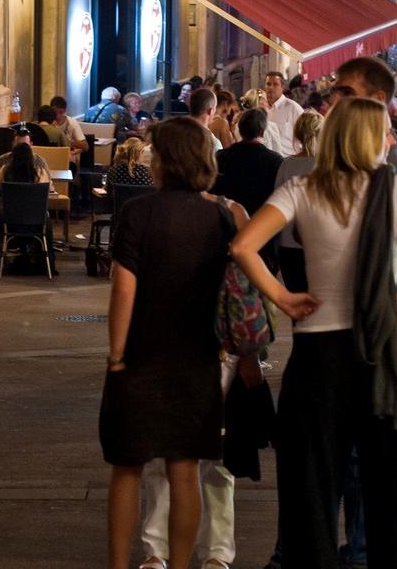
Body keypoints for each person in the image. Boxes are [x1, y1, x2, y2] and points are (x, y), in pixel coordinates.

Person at [228, 97, 397, 569]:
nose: (392, 139)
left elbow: (244, 245)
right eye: (386, 132)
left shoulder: (304, 188)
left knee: (311, 489)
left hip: (317, 355)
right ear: (371, 139)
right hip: (383, 352)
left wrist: (283, 297)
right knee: (393, 489)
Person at [101, 119, 245, 569]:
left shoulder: (138, 213)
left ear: (164, 159)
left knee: (127, 468)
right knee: (184, 470)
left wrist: (117, 354)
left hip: (142, 353)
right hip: (197, 355)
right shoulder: (218, 216)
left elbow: (123, 289)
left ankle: (121, 566)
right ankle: (182, 563)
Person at [212, 108, 284, 217]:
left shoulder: (221, 157)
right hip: (261, 222)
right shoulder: (276, 161)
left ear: (239, 129)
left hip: (228, 221)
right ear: (263, 132)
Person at [260, 70, 305, 156]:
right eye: (268, 84)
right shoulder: (260, 110)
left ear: (282, 87)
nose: (271, 88)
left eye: (275, 84)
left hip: (287, 162)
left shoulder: (293, 108)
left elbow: (305, 136)